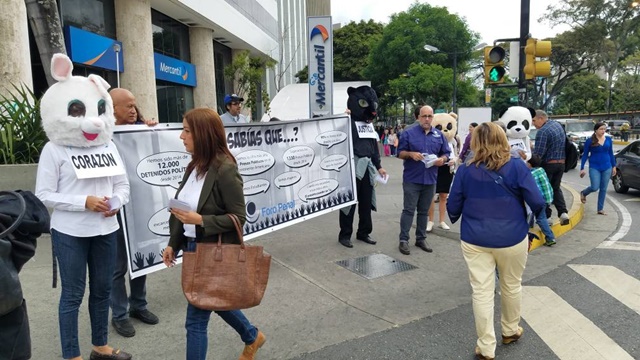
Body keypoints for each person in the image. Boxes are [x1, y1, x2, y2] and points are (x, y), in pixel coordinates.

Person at [36, 54, 132, 360]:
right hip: (70, 232)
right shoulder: (54, 150)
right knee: (73, 295)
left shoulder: (109, 146)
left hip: (106, 229)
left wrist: (116, 202)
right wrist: (83, 202)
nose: (91, 119)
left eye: (96, 110)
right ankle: (71, 354)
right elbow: (44, 194)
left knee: (102, 291)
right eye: (77, 111)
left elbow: (123, 185)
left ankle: (99, 345)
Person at [162, 108, 265, 360]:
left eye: (186, 131)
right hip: (192, 249)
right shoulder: (194, 165)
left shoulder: (225, 168)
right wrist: (172, 245)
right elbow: (181, 209)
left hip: (213, 251)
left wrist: (202, 220)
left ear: (203, 134)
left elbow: (238, 218)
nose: (181, 136)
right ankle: (252, 335)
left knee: (195, 321)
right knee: (213, 300)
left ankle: (253, 336)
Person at [447, 122, 545, 360]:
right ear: (503, 140)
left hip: (475, 238)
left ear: (476, 142)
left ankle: (486, 347)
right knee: (511, 285)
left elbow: (452, 207)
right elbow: (538, 202)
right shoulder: (517, 166)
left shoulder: (465, 169)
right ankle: (510, 330)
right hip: (512, 237)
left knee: (481, 292)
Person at [109, 88, 160, 337]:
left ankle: (138, 305)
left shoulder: (140, 129)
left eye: (134, 105)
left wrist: (150, 130)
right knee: (117, 266)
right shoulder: (100, 134)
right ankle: (119, 315)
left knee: (141, 258)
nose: (133, 110)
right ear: (112, 108)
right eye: (127, 105)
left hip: (140, 204)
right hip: (115, 209)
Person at [397, 105, 450, 255]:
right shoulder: (408, 133)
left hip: (430, 179)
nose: (427, 119)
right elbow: (399, 152)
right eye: (424, 116)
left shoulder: (439, 135)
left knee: (423, 211)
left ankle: (421, 238)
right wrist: (410, 154)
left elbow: (446, 153)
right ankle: (403, 240)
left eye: (429, 116)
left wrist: (442, 159)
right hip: (412, 179)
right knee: (408, 210)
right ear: (418, 117)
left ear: (433, 117)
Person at [338, 85, 387, 248]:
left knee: (366, 202)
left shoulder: (369, 126)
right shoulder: (347, 122)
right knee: (349, 203)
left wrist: (379, 166)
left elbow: (373, 148)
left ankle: (363, 232)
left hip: (367, 168)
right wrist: (342, 119)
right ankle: (345, 234)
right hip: (351, 167)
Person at [532, 110, 570, 225]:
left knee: (545, 190)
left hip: (548, 164)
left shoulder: (543, 132)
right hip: (561, 163)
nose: (533, 123)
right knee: (556, 188)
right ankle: (563, 213)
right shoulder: (557, 125)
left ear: (541, 118)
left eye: (534, 120)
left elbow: (539, 154)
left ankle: (548, 217)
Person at [579, 122, 617, 215]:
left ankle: (600, 209)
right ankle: (584, 193)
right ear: (596, 130)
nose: (603, 131)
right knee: (595, 187)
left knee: (603, 189)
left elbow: (611, 154)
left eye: (604, 129)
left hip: (607, 166)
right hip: (594, 166)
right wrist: (582, 167)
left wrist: (614, 166)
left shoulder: (608, 139)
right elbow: (585, 155)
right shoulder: (590, 140)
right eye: (601, 129)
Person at [527, 155, 556, 246]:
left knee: (540, 219)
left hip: (540, 200)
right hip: (547, 197)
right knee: (536, 215)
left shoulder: (531, 174)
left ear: (530, 164)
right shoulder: (541, 170)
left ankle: (550, 237)